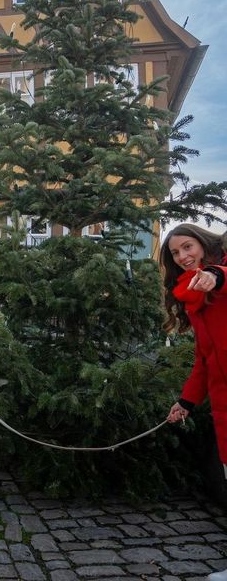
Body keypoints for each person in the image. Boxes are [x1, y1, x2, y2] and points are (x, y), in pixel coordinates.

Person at [162, 223, 227, 581]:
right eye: (176, 253)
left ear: (204, 244)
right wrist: (186, 402)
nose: (184, 257)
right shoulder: (193, 298)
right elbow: (203, 358)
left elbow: (224, 275)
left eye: (189, 247)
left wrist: (216, 274)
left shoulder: (216, 276)